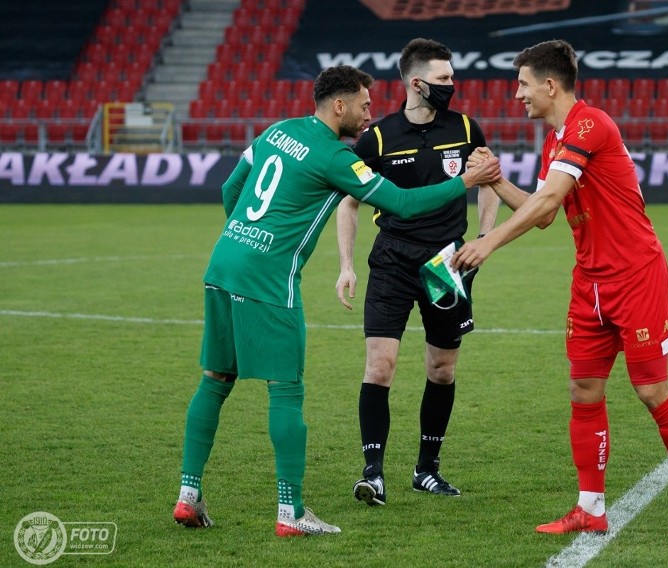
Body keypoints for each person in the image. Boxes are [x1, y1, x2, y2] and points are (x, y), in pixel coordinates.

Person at [171, 64, 501, 538]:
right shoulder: (336, 158)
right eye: (364, 106)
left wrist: (247, 234)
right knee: (286, 389)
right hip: (268, 279)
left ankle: (188, 496)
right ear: (340, 105)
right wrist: (465, 184)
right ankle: (292, 513)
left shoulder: (276, 130)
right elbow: (402, 205)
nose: (370, 115)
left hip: (223, 264)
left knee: (215, 379)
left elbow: (230, 190)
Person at [453, 40, 668, 538]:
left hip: (636, 274)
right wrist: (496, 179)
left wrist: (488, 244)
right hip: (590, 279)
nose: (517, 95)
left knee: (651, 389)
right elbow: (547, 212)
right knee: (583, 388)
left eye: (524, 85)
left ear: (551, 85)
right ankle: (590, 507)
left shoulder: (591, 124)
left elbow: (550, 196)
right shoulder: (555, 140)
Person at [335, 38, 500, 507]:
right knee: (380, 365)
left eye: (452, 77)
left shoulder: (467, 128)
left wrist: (483, 239)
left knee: (442, 369)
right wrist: (346, 265)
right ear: (417, 83)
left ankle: (426, 470)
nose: (453, 85)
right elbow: (348, 202)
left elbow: (488, 181)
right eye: (444, 78)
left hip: (447, 262)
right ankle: (373, 473)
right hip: (391, 258)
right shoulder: (379, 137)